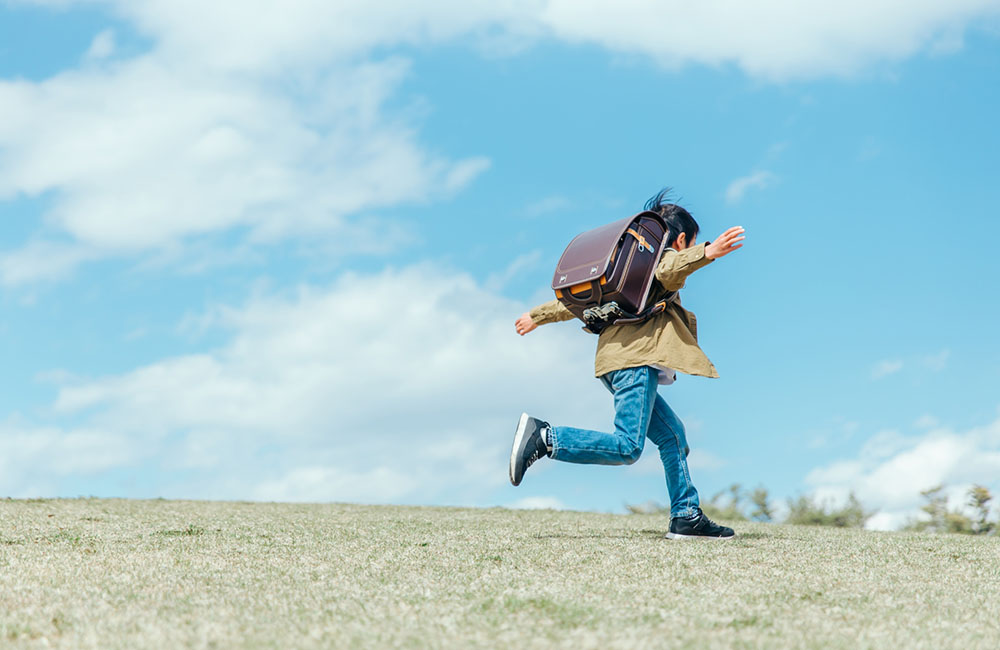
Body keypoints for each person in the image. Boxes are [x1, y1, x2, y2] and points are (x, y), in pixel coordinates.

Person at [509, 189, 745, 540]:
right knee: (627, 447)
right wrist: (707, 253)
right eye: (690, 243)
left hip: (616, 362)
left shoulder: (627, 269)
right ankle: (545, 438)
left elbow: (574, 300)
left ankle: (686, 516)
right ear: (681, 239)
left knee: (673, 436)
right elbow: (670, 267)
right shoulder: (659, 261)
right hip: (635, 362)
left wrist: (536, 315)